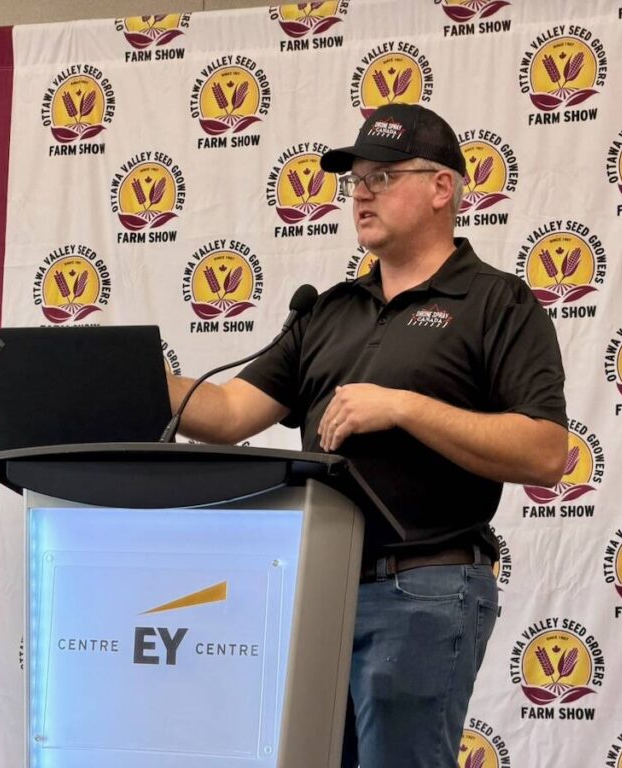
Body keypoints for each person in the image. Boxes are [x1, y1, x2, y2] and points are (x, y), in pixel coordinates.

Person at [166, 103, 568, 767]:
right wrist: (132, 373)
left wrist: (405, 407)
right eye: (354, 178)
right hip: (317, 587)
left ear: (443, 188)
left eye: (383, 176)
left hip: (424, 591)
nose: (360, 191)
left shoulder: (497, 303)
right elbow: (228, 413)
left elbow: (546, 453)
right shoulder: (327, 311)